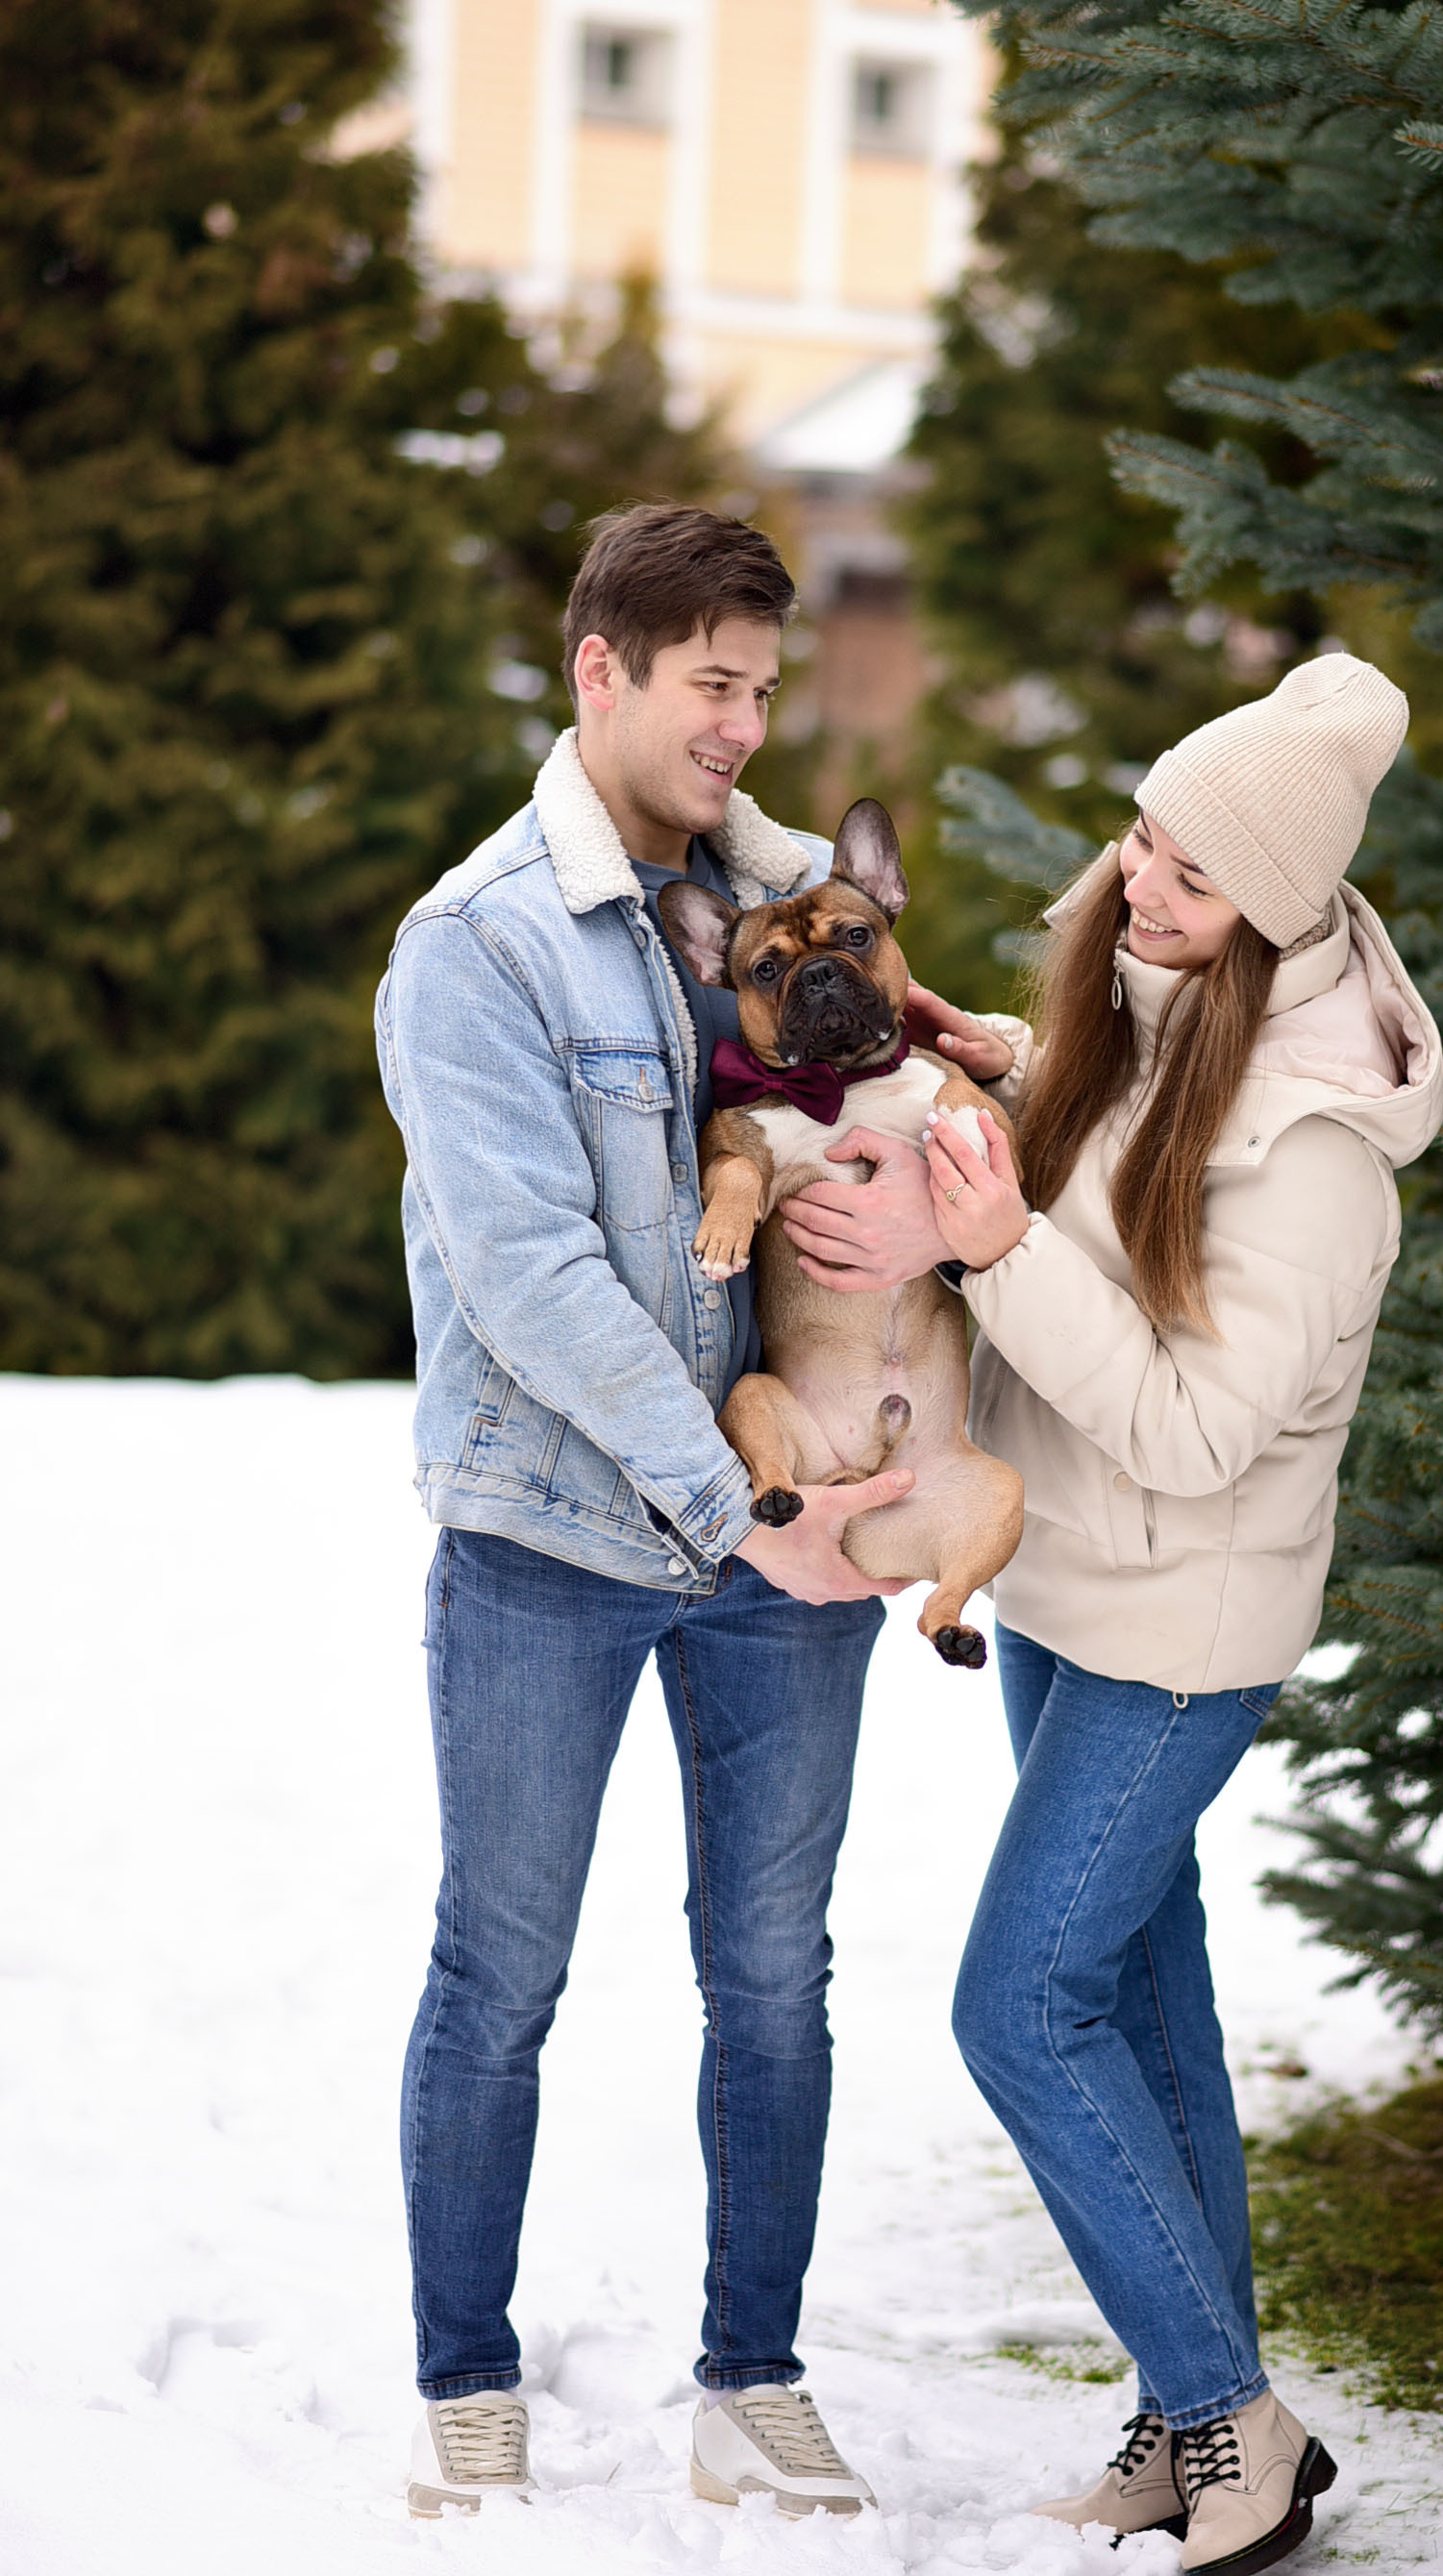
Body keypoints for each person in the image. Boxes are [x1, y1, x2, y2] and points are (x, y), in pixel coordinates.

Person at [781, 652, 1443, 2576]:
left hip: (1179, 1636)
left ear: (1276, 914)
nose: (1137, 880)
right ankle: (1183, 2415)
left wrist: (987, 1249)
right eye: (1142, 836)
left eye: (1187, 872)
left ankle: (1236, 2419)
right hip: (1069, 1587)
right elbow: (1131, 1130)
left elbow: (1192, 1429)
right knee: (1144, 2001)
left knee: (1018, 2005)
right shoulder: (1169, 1001)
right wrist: (997, 1058)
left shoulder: (1317, 1153)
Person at [375, 504, 910, 2524]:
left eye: (763, 690)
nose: (743, 728)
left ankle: (751, 2377)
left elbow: (912, 1097)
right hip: (557, 1537)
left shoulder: (789, 897)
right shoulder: (479, 944)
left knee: (775, 1975)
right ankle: (463, 2380)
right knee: (500, 1970)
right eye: (710, 686)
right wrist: (735, 1505)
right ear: (598, 669)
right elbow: (529, 1279)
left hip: (788, 1531)